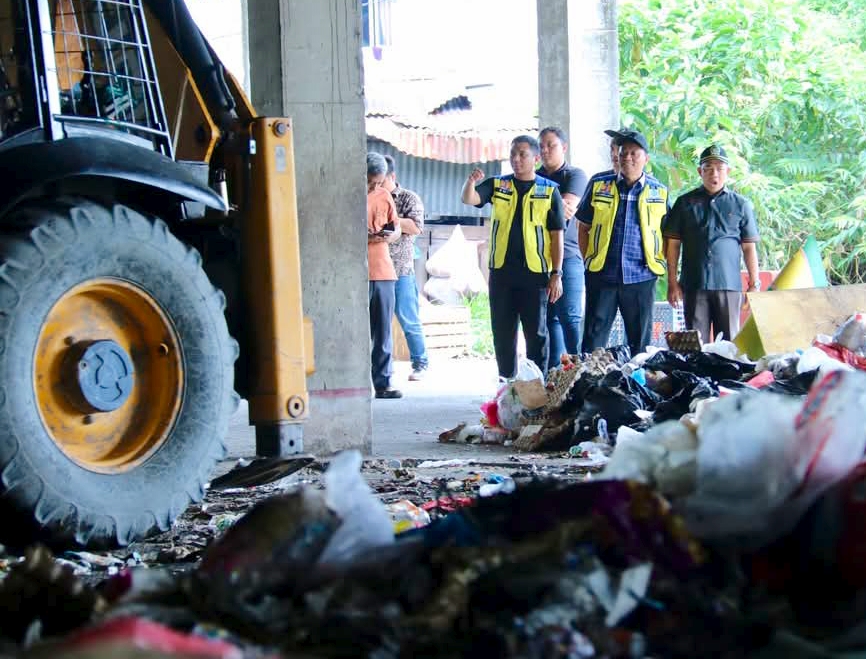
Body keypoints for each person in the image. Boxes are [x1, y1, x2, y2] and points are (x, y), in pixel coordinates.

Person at [461, 135, 565, 379]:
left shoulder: (549, 191)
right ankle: (506, 382)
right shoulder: (498, 185)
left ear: (536, 158)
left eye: (522, 154)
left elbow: (556, 235)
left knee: (536, 334)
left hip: (535, 274)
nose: (516, 159)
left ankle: (537, 385)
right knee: (503, 332)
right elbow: (470, 199)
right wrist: (470, 182)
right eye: (513, 154)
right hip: (502, 273)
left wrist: (556, 274)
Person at [576, 129, 669, 357]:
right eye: (623, 152)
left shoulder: (659, 190)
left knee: (640, 346)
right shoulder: (599, 183)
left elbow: (668, 235)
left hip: (641, 277)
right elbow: (583, 227)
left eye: (634, 153)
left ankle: (636, 387)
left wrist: (657, 264)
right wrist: (589, 259)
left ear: (646, 159)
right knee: (593, 341)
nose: (627, 157)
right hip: (602, 275)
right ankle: (589, 386)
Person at [664, 145, 760, 342]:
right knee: (695, 345)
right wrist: (672, 282)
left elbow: (749, 247)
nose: (714, 173)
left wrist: (754, 284)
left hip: (728, 286)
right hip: (694, 285)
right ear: (700, 171)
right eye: (708, 168)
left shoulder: (741, 204)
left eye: (719, 168)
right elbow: (673, 246)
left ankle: (726, 374)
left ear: (728, 172)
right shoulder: (685, 203)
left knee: (729, 344)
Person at [538, 127, 589, 367]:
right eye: (542, 146)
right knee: (549, 320)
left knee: (569, 316)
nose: (546, 151)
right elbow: (557, 210)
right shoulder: (533, 177)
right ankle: (554, 378)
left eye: (552, 145)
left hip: (568, 256)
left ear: (564, 148)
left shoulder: (575, 175)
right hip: (538, 257)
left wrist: (540, 209)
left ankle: (581, 372)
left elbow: (566, 209)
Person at [383, 155, 429, 381]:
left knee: (408, 319)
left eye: (381, 180)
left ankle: (420, 363)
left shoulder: (409, 198)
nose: (376, 184)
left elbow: (416, 226)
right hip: (376, 270)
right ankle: (382, 368)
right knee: (378, 323)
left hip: (401, 270)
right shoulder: (369, 196)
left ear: (392, 176)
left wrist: (391, 217)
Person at [367, 152, 402, 399]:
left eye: (378, 182)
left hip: (383, 271)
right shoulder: (347, 194)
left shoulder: (384, 195)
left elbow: (397, 227)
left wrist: (391, 235)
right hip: (356, 272)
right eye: (370, 181)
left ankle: (383, 383)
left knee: (383, 333)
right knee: (357, 333)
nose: (374, 186)